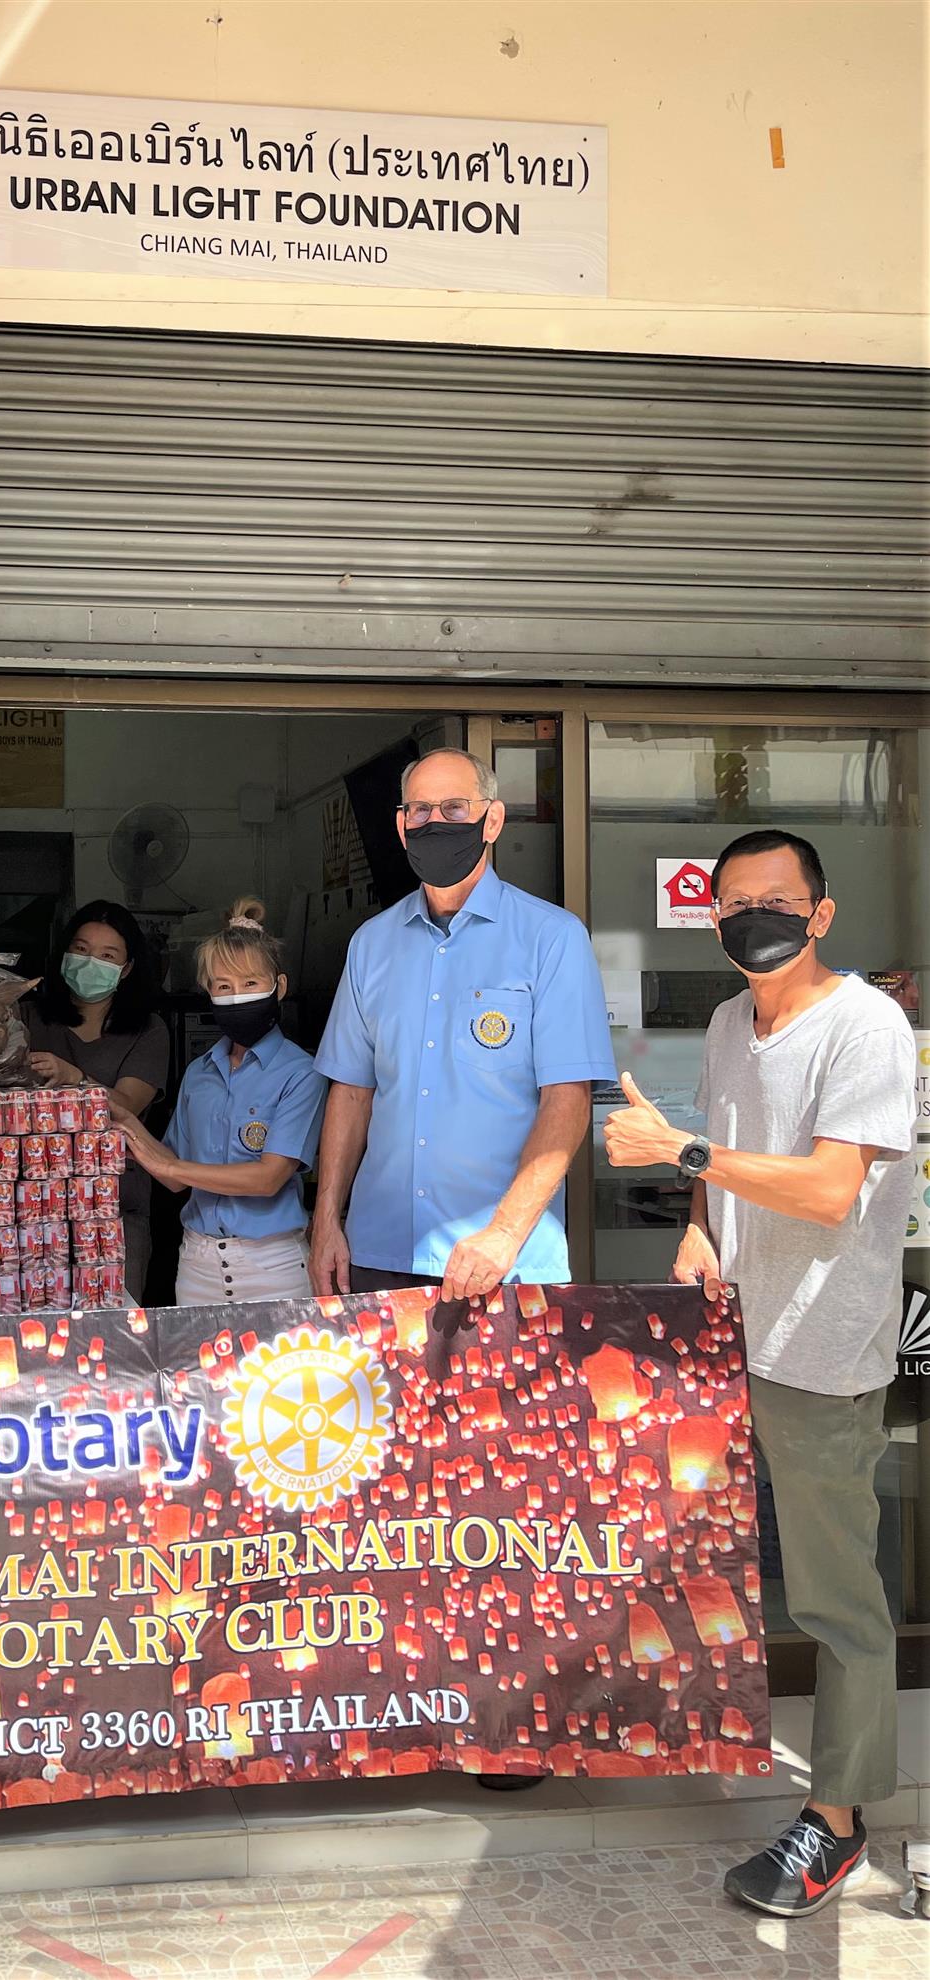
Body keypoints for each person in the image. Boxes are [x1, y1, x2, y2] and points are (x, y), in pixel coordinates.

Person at [605, 828, 915, 1920]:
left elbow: (830, 1192)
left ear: (820, 914)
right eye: (733, 903)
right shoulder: (731, 1021)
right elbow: (723, 1147)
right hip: (729, 1336)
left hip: (820, 1351)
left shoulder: (867, 1026)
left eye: (777, 902)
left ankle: (838, 1817)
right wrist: (697, 1221)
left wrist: (681, 1156)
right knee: (707, 1562)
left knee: (835, 1597)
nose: (754, 919)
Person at [311, 746, 616, 1302]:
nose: (435, 823)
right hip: (379, 1253)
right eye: (420, 811)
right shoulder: (371, 945)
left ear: (492, 820)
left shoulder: (552, 938)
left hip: (504, 1261)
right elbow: (352, 1093)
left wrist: (504, 1233)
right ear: (402, 827)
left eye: (454, 808)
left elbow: (567, 1099)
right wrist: (327, 1219)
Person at [117, 899, 327, 1305]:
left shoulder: (302, 1072)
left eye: (250, 983)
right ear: (208, 992)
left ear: (280, 987)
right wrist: (127, 1124)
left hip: (273, 1267)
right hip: (197, 1265)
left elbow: (268, 1179)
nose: (237, 997)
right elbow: (174, 1176)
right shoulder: (199, 1073)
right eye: (223, 986)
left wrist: (169, 1165)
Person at [27, 900, 169, 1300]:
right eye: (82, 950)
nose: (91, 963)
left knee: (116, 1321)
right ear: (64, 954)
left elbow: (127, 1105)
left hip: (116, 1206)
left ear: (126, 968)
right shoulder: (27, 1019)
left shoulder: (148, 1031)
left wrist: (74, 1078)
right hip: (36, 1205)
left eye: (107, 956)